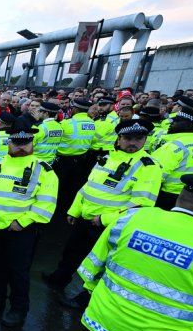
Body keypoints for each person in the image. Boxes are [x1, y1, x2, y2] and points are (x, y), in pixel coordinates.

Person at [56, 174, 193, 331]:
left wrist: (103, 302)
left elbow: (92, 268)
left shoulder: (134, 217)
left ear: (181, 196)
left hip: (105, 324)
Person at [43, 120, 162, 306]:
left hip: (108, 225)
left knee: (99, 263)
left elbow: (141, 205)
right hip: (86, 219)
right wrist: (74, 210)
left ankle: (86, 297)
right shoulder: (107, 158)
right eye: (128, 138)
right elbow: (88, 186)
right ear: (119, 138)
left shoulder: (148, 166)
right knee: (72, 251)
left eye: (139, 138)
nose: (133, 143)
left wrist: (105, 219)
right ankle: (60, 278)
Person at [0, 121, 58, 327]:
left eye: (26, 142)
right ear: (9, 143)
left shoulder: (44, 170)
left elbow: (46, 204)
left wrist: (22, 222)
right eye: (17, 142)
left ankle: (19, 308)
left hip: (20, 231)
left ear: (32, 143)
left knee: (18, 272)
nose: (21, 146)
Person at [151, 97, 193, 209]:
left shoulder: (175, 145)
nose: (171, 123)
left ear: (189, 126)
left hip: (167, 196)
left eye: (177, 121)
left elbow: (155, 174)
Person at [54, 99, 97, 212]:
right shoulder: (92, 123)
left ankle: (56, 209)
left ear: (75, 109)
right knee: (73, 186)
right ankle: (67, 208)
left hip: (63, 160)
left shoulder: (67, 123)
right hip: (81, 159)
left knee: (59, 186)